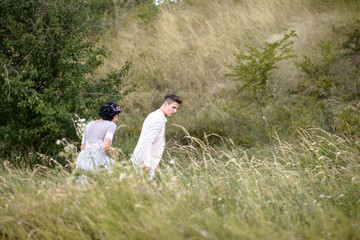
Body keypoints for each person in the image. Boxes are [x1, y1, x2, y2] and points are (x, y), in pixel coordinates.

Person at [131, 93, 182, 179]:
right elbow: (147, 142)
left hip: (147, 161)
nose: (175, 111)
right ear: (165, 104)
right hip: (143, 162)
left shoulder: (155, 115)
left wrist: (155, 163)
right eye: (173, 107)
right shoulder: (157, 119)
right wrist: (147, 165)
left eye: (176, 109)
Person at [76, 102, 121, 171]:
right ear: (115, 116)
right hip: (99, 158)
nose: (117, 119)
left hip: (84, 158)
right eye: (118, 116)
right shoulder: (111, 125)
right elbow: (106, 147)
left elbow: (83, 147)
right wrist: (114, 158)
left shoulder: (89, 124)